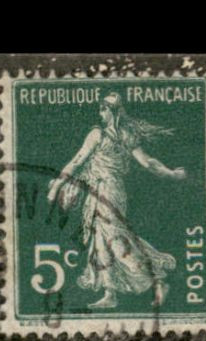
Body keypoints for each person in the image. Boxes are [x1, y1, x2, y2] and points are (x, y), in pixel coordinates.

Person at [47, 91, 188, 310]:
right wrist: (171, 174)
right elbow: (148, 162)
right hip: (105, 190)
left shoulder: (99, 134)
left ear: (112, 112)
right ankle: (110, 292)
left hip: (107, 190)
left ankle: (157, 281)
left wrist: (56, 186)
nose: (100, 112)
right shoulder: (126, 137)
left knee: (114, 238)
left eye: (103, 109)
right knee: (100, 238)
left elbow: (76, 161)